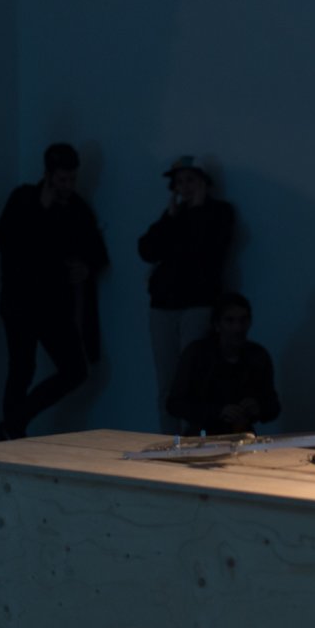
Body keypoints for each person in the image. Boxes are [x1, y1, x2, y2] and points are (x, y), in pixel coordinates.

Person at [0, 143, 108, 440]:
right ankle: (11, 433)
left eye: (72, 179)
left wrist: (86, 267)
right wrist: (41, 210)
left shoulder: (76, 209)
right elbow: (7, 241)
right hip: (20, 301)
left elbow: (97, 252)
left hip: (54, 304)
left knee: (74, 370)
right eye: (62, 179)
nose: (68, 185)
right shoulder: (24, 199)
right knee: (22, 368)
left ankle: (12, 425)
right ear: (48, 175)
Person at [138, 156, 235, 434]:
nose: (184, 187)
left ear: (203, 181)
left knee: (193, 378)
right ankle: (168, 442)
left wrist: (195, 211)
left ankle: (192, 441)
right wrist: (170, 217)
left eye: (190, 180)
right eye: (179, 182)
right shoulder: (173, 216)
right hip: (163, 306)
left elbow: (205, 249)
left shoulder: (218, 213)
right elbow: (146, 249)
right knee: (167, 383)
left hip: (197, 305)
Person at [166, 292, 279, 435]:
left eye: (243, 320)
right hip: (202, 437)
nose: (238, 328)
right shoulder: (197, 354)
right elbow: (175, 404)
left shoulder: (257, 356)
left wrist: (259, 407)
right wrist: (217, 412)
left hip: (242, 435)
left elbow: (273, 406)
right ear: (217, 325)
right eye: (230, 321)